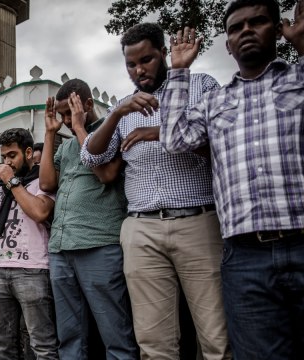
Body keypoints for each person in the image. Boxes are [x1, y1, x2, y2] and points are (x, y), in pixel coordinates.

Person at [158, 0, 304, 357]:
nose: (247, 31)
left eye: (258, 22)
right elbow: (175, 140)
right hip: (244, 256)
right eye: (236, 28)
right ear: (227, 44)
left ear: (277, 30)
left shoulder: (297, 79)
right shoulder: (214, 101)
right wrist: (179, 71)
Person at [80, 23, 230, 359]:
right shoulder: (125, 107)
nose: (138, 70)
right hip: (141, 228)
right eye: (131, 65)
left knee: (216, 338)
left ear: (163, 53)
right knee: (153, 342)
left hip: (198, 221)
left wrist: (163, 131)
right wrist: (117, 112)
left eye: (146, 60)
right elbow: (92, 154)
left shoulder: (201, 85)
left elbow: (221, 143)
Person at [39, 79, 139, 359]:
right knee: (70, 337)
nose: (68, 121)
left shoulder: (112, 130)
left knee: (114, 333)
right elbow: (47, 184)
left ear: (89, 104)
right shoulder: (67, 147)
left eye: (72, 112)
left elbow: (106, 174)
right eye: (63, 116)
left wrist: (82, 128)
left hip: (99, 245)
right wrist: (50, 134)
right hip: (61, 248)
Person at [0, 128, 58, 359]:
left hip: (33, 271)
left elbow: (40, 212)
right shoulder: (1, 189)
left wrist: (12, 181)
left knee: (41, 345)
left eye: (12, 155)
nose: (7, 161)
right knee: (3, 346)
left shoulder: (43, 179)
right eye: (4, 157)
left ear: (28, 153)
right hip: (0, 270)